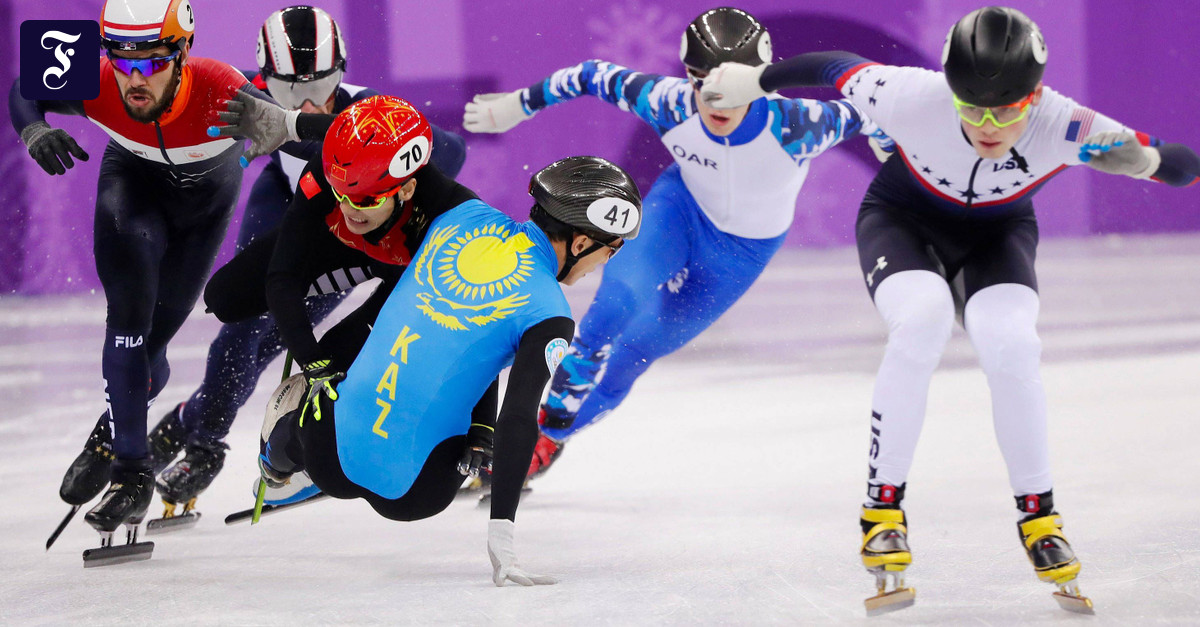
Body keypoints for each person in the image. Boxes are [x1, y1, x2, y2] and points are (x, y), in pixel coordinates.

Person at [698, 5, 1200, 613]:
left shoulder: (1067, 123)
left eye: (1008, 110)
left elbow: (1177, 162)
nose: (987, 125)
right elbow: (832, 67)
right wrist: (755, 80)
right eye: (971, 106)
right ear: (949, 87)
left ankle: (1039, 517)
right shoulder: (911, 94)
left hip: (996, 236)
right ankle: (882, 509)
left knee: (1012, 342)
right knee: (922, 321)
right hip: (901, 221)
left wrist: (1148, 163)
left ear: (1034, 97)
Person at [462, 6, 889, 481]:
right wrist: (517, 105)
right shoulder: (671, 103)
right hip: (678, 212)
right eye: (699, 80)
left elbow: (875, 110)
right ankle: (533, 438)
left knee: (633, 356)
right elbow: (590, 76)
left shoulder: (799, 124)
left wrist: (886, 144)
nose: (715, 99)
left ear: (763, 79)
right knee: (613, 307)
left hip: (741, 254)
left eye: (735, 82)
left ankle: (551, 438)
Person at [256, 155, 642, 586]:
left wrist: (293, 122)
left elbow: (394, 149)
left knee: (439, 345)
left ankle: (278, 457)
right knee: (480, 355)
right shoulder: (551, 314)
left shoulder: (459, 210)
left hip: (330, 453)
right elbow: (517, 418)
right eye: (611, 249)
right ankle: (334, 451)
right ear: (581, 242)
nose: (605, 261)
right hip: (415, 494)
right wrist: (503, 533)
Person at [145, 6, 466, 519]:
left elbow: (452, 153)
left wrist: (315, 124)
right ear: (263, 78)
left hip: (342, 223)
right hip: (287, 199)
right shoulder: (241, 93)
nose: (311, 98)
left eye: (326, 82)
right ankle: (205, 441)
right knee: (243, 327)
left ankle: (188, 422)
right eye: (290, 91)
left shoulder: (368, 110)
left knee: (274, 344)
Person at [7, 0, 280, 548]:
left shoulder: (221, 86)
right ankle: (133, 471)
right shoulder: (94, 73)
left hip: (204, 213)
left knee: (152, 342)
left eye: (152, 61)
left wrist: (281, 132)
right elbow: (24, 87)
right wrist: (34, 130)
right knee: (128, 323)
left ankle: (109, 434)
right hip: (132, 191)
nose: (135, 77)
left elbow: (307, 135)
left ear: (182, 54)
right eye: (121, 59)